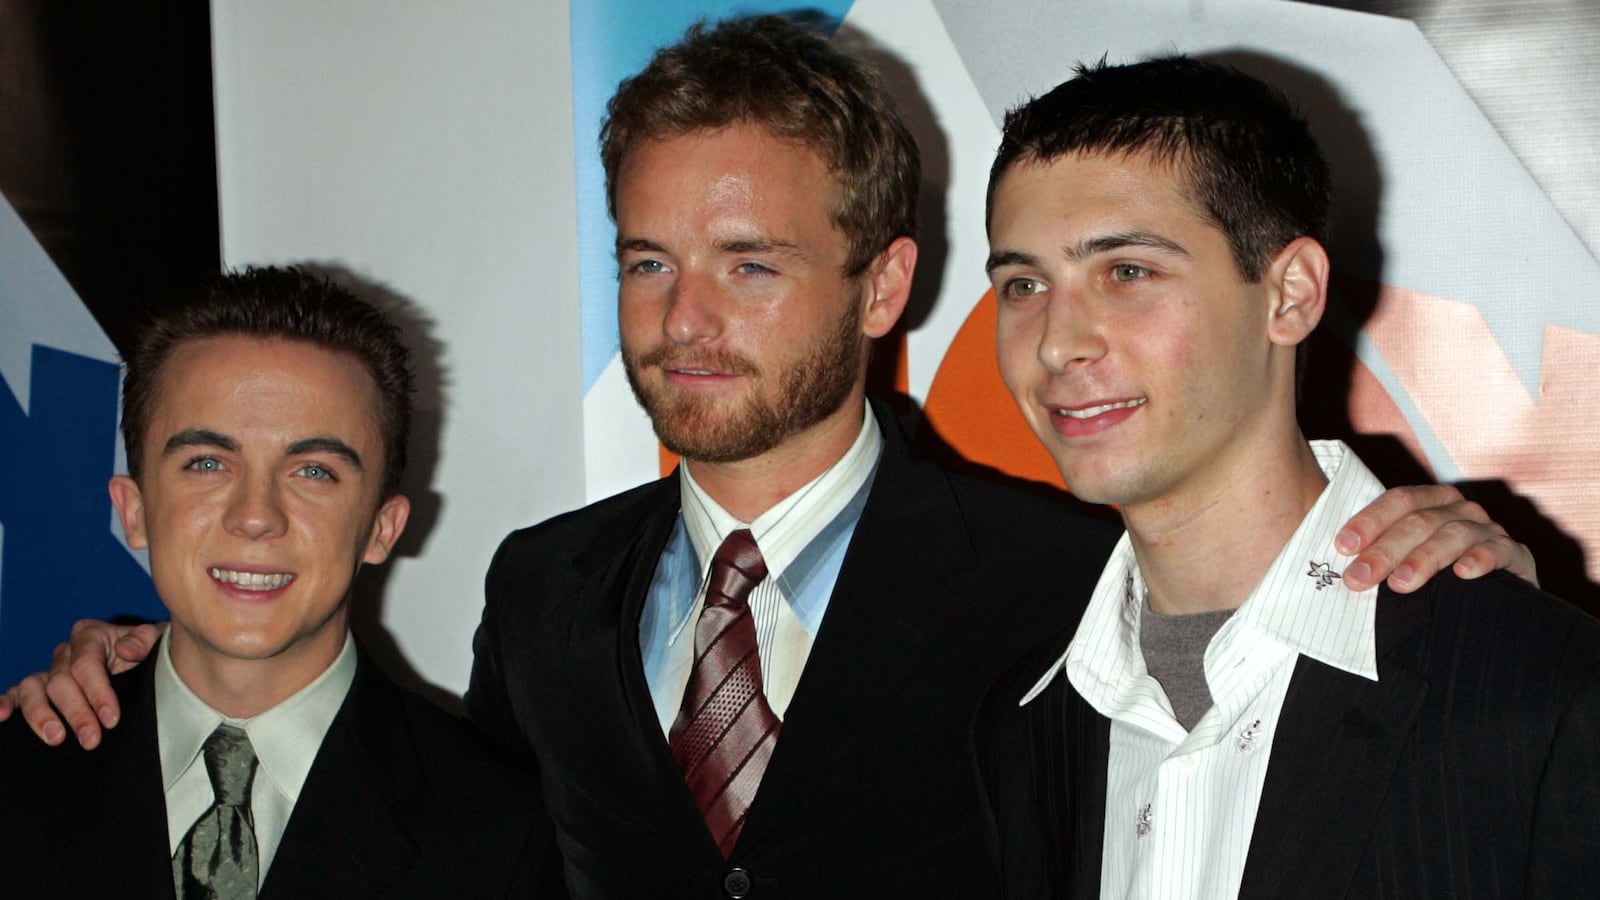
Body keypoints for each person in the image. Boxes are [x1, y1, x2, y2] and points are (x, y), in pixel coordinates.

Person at [1, 18, 1532, 900]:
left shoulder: (1074, 578)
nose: (683, 321)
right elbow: (416, 814)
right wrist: (168, 661)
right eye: (648, 260)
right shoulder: (545, 593)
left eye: (750, 265)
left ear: (880, 287)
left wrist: (1445, 555)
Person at [975, 56, 1600, 899]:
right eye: (1024, 284)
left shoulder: (1540, 691)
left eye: (1127, 272)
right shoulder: (1022, 725)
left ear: (1290, 294)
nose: (1056, 342)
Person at [0, 267, 554, 898]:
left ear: (382, 526)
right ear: (133, 510)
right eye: (207, 463)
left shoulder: (507, 830)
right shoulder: (16, 774)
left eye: (313, 471)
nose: (255, 516)